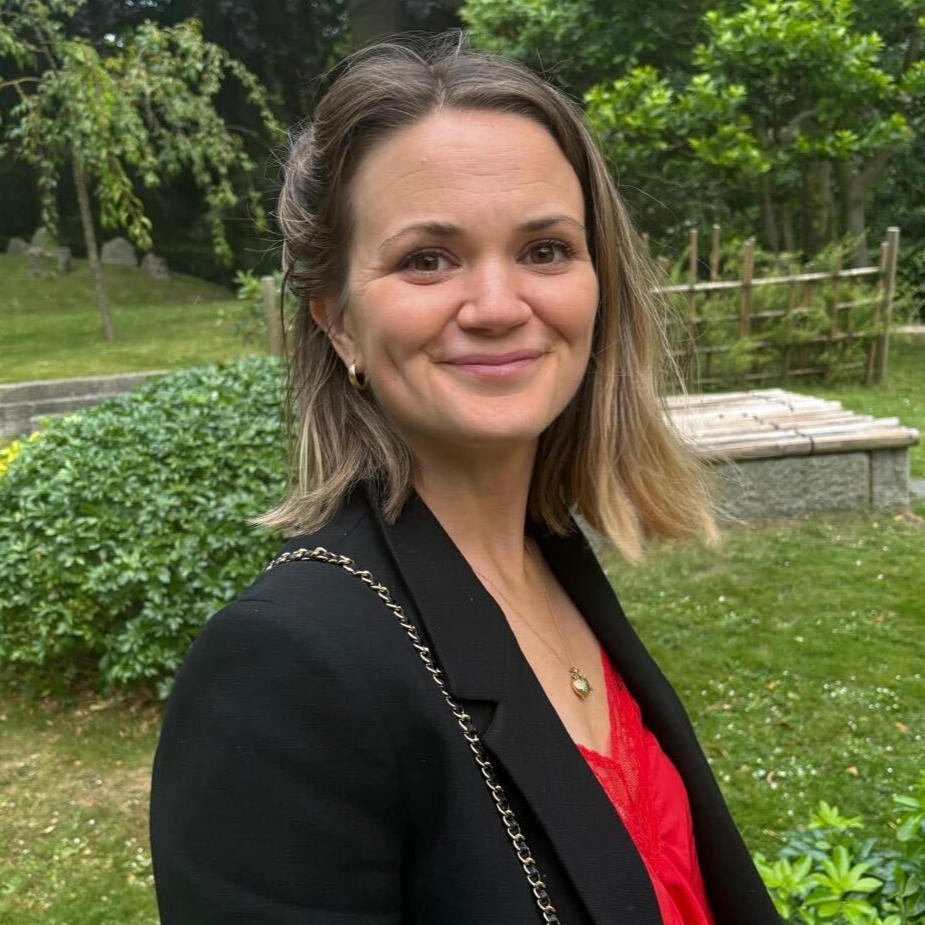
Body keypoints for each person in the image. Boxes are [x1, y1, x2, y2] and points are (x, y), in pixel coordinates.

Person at [149, 33, 781, 925]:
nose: (496, 306)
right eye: (427, 258)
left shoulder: (549, 556)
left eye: (545, 250)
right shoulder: (283, 671)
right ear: (336, 321)